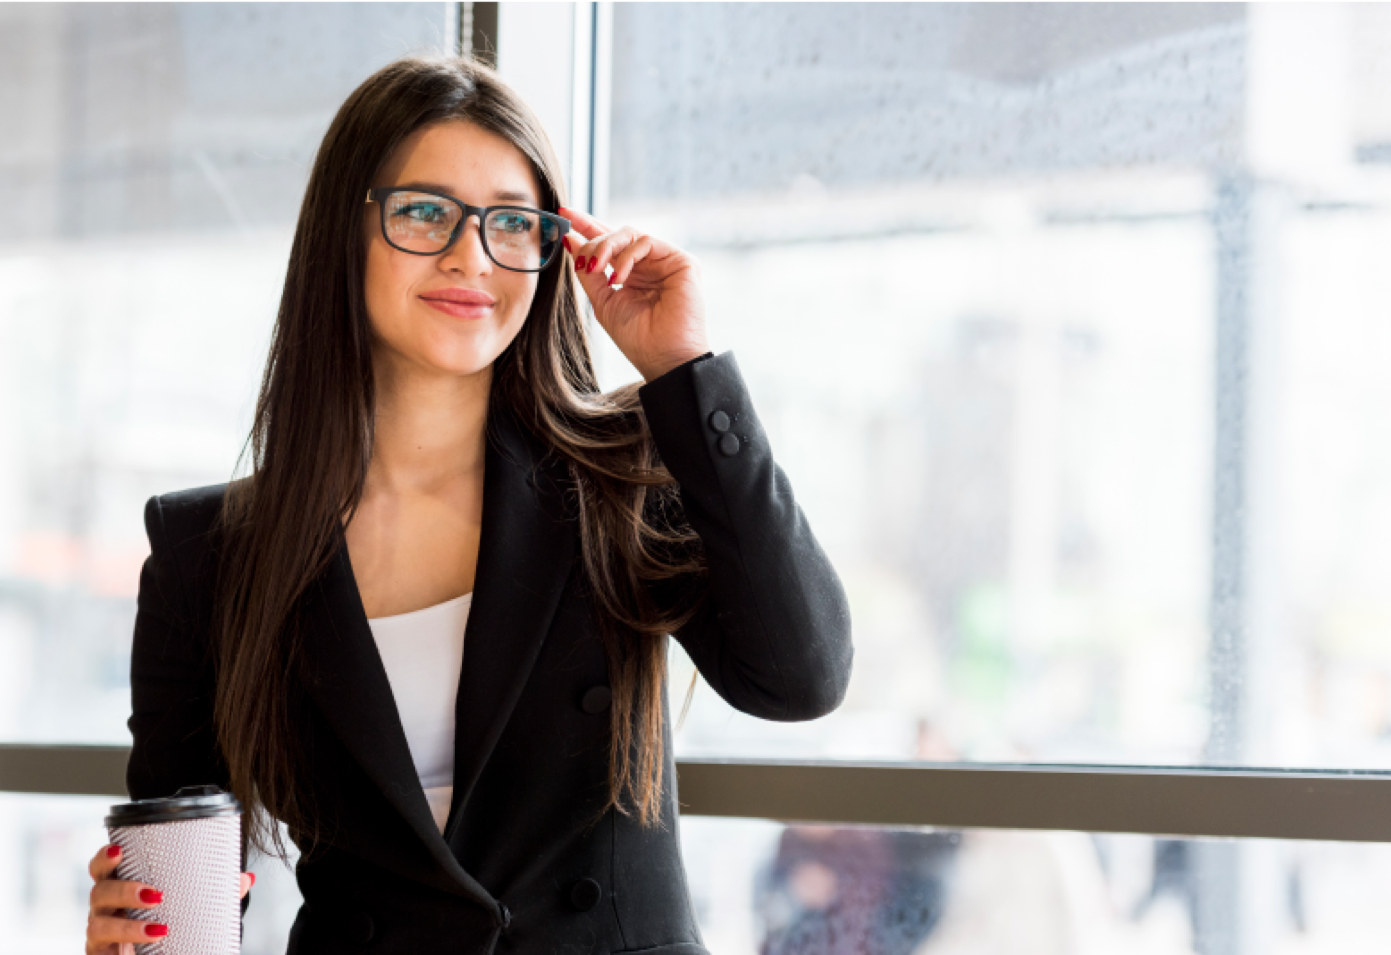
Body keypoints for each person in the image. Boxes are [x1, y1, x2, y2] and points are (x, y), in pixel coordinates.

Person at [83, 53, 852, 955]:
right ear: (346, 230)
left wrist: (684, 374)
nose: (469, 256)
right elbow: (184, 888)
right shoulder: (206, 551)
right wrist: (136, 931)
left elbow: (800, 677)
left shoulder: (617, 475)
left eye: (510, 223)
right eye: (423, 212)